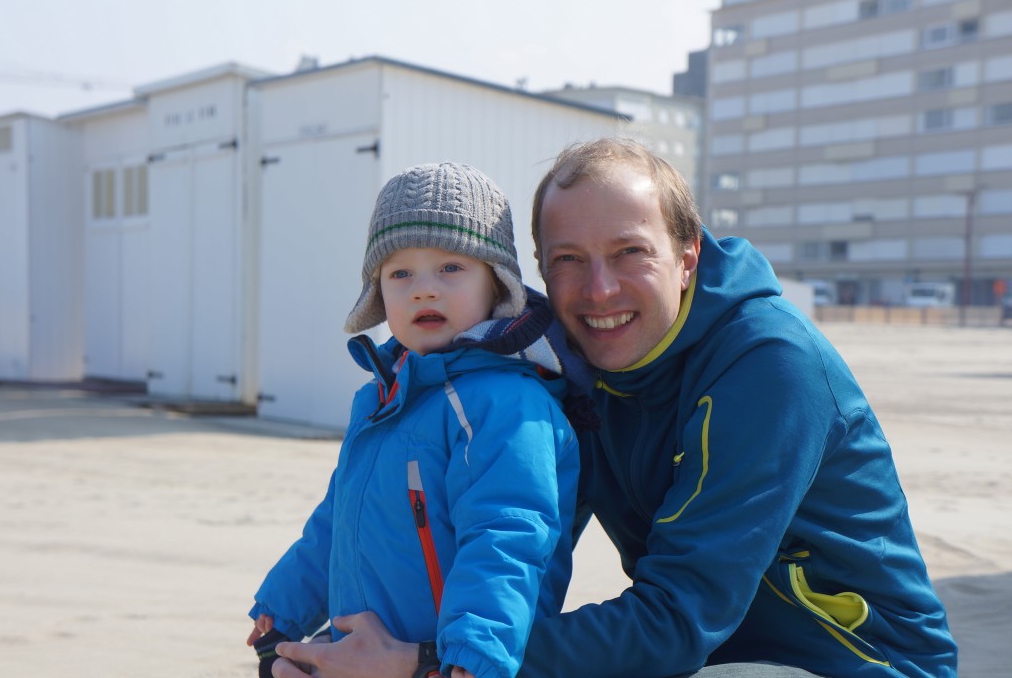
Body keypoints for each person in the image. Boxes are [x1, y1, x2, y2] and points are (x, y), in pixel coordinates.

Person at [268, 139, 958, 678]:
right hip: (711, 653)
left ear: (687, 257)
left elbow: (676, 618)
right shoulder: (567, 369)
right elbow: (520, 542)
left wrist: (429, 662)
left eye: (630, 252)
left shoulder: (770, 368)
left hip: (850, 662)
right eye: (569, 259)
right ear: (537, 268)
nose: (598, 291)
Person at [247, 162, 583, 678]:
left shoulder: (506, 404)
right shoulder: (382, 399)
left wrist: (471, 657)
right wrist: (283, 607)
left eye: (451, 268)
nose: (423, 289)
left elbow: (508, 534)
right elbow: (338, 521)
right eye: (400, 273)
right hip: (361, 653)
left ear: (497, 286)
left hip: (444, 660)